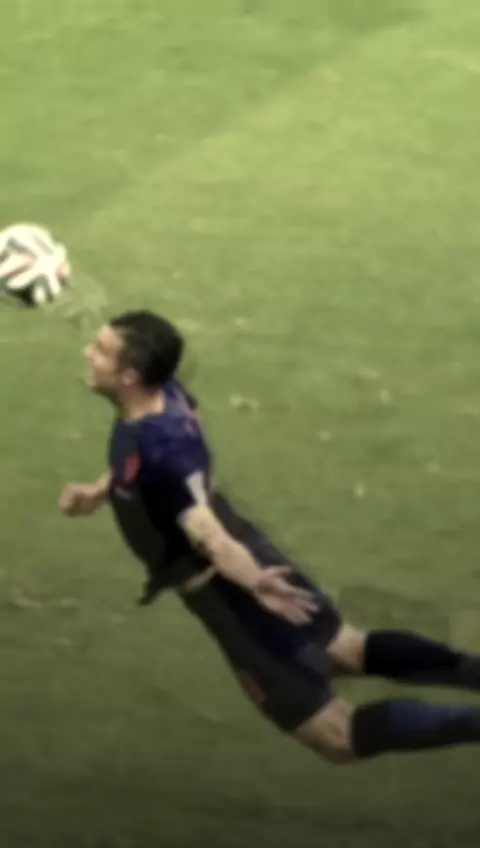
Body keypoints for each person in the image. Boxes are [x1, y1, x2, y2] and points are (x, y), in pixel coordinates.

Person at [59, 310, 480, 764]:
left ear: (129, 376)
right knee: (343, 648)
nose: (88, 353)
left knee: (335, 736)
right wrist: (104, 489)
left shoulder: (162, 448)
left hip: (232, 590)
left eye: (100, 350)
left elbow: (210, 536)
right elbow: (168, 467)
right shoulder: (164, 397)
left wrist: (256, 584)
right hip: (249, 551)